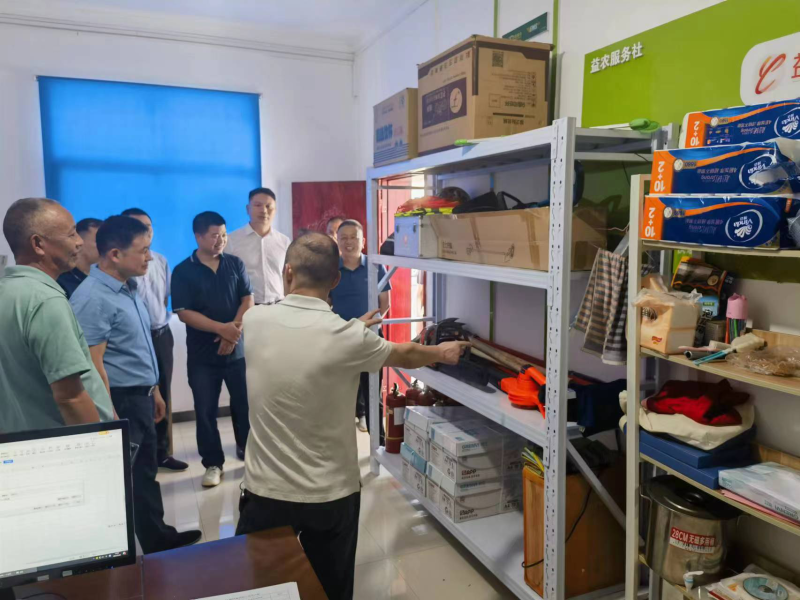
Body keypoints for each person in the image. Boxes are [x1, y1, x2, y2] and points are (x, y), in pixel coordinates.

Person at [237, 233, 467, 600]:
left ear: (288, 272)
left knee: (261, 590)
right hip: (331, 494)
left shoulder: (255, 320)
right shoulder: (348, 338)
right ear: (336, 280)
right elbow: (406, 353)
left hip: (266, 492)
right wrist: (443, 351)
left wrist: (354, 329)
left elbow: (302, 340)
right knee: (331, 590)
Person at [71, 215, 201, 553]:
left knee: (143, 473)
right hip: (121, 401)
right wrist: (110, 415)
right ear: (115, 254)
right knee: (120, 480)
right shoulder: (93, 298)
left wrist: (154, 391)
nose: (149, 257)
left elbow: (136, 347)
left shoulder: (128, 289)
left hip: (140, 396)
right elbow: (92, 364)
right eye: (143, 251)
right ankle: (111, 553)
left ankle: (157, 539)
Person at [0, 198, 114, 433]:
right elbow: (70, 397)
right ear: (38, 244)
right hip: (63, 444)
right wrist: (99, 444)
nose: (79, 242)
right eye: (71, 234)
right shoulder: (45, 301)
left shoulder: (8, 290)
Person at [172, 211, 254, 488]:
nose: (221, 240)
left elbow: (247, 299)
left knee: (244, 406)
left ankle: (250, 454)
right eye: (214, 235)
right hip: (202, 356)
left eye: (224, 235)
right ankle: (213, 463)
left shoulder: (234, 263)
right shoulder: (183, 271)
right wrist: (222, 329)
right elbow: (184, 313)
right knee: (205, 411)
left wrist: (233, 332)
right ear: (198, 236)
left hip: (237, 351)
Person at [121, 208, 187, 473]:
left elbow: (165, 298)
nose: (146, 231)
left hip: (161, 335)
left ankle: (163, 452)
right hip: (133, 338)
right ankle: (138, 456)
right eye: (138, 226)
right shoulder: (120, 264)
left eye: (148, 226)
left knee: (163, 393)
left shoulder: (159, 260)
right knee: (138, 396)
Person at [329, 219, 391, 435]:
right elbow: (326, 303)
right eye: (343, 238)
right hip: (340, 340)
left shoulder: (376, 267)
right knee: (339, 397)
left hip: (370, 340)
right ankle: (340, 444)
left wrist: (370, 324)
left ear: (363, 241)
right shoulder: (331, 270)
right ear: (337, 241)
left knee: (373, 395)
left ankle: (378, 443)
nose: (349, 242)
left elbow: (385, 304)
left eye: (353, 237)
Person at [226, 187, 291, 305]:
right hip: (245, 307)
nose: (264, 210)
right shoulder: (231, 240)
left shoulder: (284, 241)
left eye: (268, 206)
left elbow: (288, 276)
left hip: (278, 305)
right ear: (248, 209)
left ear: (275, 210)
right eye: (258, 205)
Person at [56, 217, 102, 298]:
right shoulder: (61, 282)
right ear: (79, 242)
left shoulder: (103, 279)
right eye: (99, 241)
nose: (106, 246)